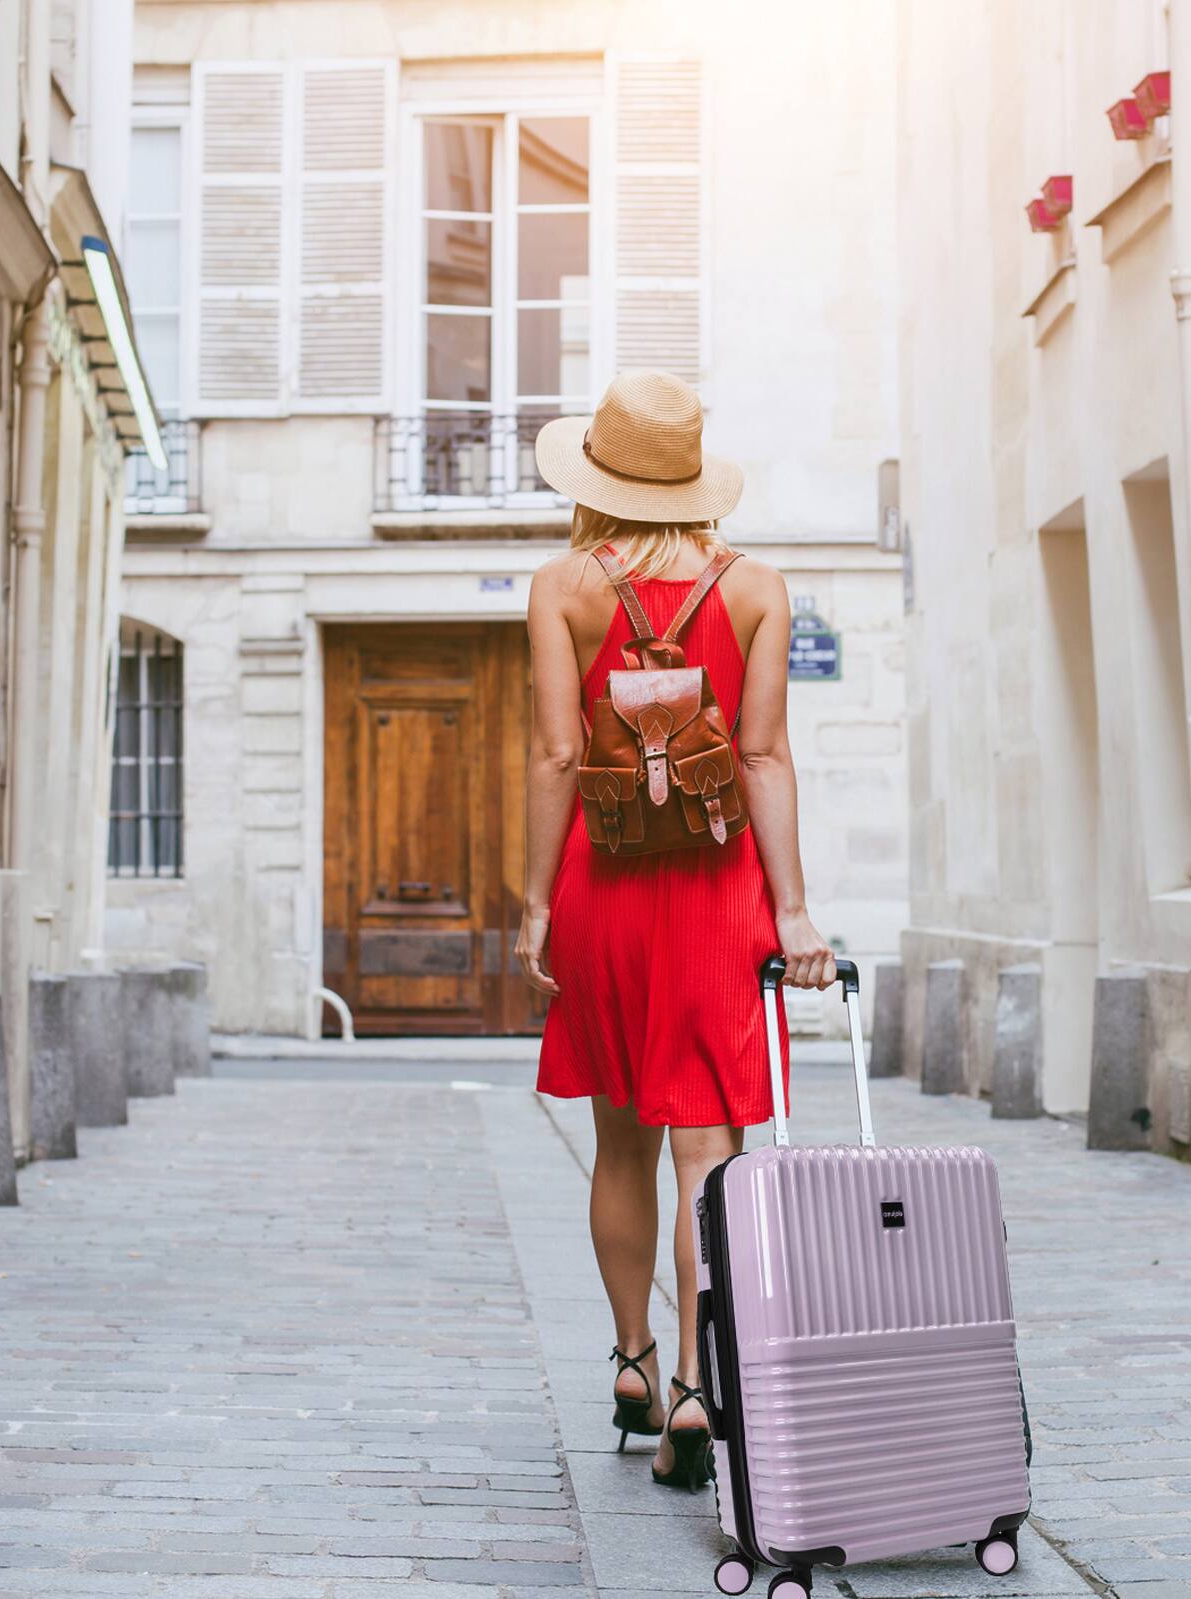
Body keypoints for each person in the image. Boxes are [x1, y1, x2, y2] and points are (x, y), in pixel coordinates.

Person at [516, 370, 837, 1491]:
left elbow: (557, 754)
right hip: (716, 895)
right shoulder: (757, 587)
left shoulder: (561, 586)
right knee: (709, 1151)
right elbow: (763, 754)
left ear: (596, 479)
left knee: (620, 1145)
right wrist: (792, 909)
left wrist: (536, 903)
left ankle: (632, 1361)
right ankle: (700, 1386)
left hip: (603, 890)